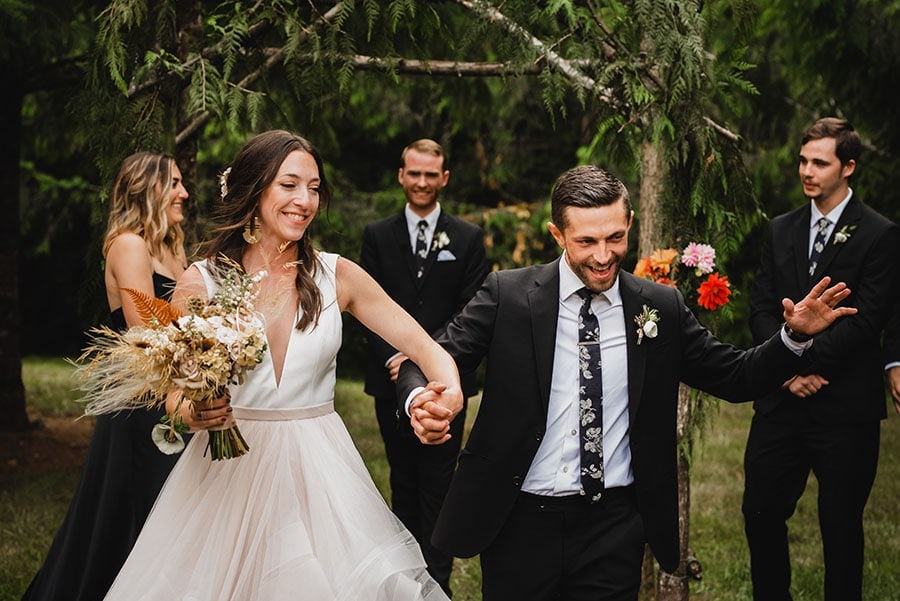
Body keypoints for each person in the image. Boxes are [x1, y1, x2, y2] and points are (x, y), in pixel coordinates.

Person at [397, 164, 857, 601]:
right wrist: (419, 398)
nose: (603, 256)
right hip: (519, 521)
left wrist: (793, 336)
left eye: (616, 237)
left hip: (612, 526)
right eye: (587, 241)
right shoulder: (509, 296)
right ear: (557, 235)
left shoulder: (660, 306)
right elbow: (427, 356)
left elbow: (737, 376)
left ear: (630, 223)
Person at [102, 130, 461, 601]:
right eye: (289, 185)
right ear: (255, 189)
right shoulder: (202, 280)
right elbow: (173, 392)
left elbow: (425, 347)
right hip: (226, 472)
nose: (305, 200)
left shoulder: (338, 274)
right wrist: (191, 413)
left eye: (314, 188)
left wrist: (449, 389)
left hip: (318, 471)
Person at [742, 117, 900, 601]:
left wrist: (803, 363)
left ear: (848, 167)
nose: (806, 171)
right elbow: (762, 307)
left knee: (841, 526)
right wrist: (785, 370)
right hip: (782, 404)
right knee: (760, 513)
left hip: (844, 406)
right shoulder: (779, 229)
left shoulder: (879, 234)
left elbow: (865, 320)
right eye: (802, 160)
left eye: (819, 162)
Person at [23, 152, 191, 601]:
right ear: (149, 188)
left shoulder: (173, 245)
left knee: (177, 505)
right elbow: (146, 331)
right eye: (174, 183)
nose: (184, 193)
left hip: (176, 390)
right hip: (142, 399)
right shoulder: (128, 244)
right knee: (137, 505)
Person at [360, 138, 488, 595]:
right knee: (402, 480)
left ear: (444, 178)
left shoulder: (469, 238)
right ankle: (406, 582)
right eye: (413, 173)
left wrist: (430, 361)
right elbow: (366, 306)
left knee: (439, 485)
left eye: (430, 174)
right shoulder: (377, 235)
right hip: (388, 377)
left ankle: (437, 586)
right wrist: (397, 357)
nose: (421, 182)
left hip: (446, 384)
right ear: (401, 175)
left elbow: (472, 309)